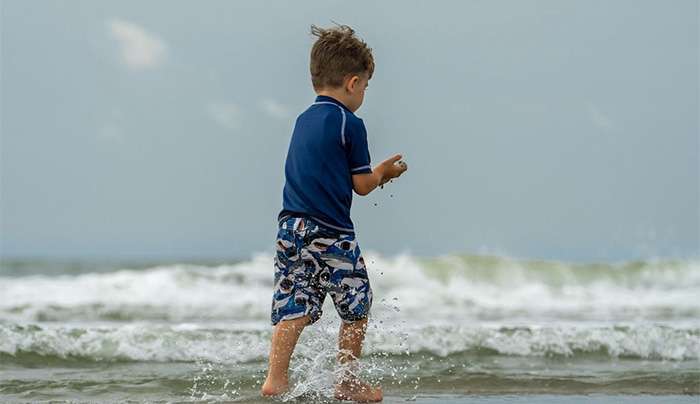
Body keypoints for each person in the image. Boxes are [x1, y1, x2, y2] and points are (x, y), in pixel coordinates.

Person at [261, 23, 408, 402]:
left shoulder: (302, 120)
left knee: (293, 302)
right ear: (353, 82)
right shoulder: (350, 123)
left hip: (290, 225)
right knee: (357, 302)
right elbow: (361, 185)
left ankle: (275, 379)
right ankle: (346, 381)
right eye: (366, 88)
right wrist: (384, 174)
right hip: (331, 230)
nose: (364, 96)